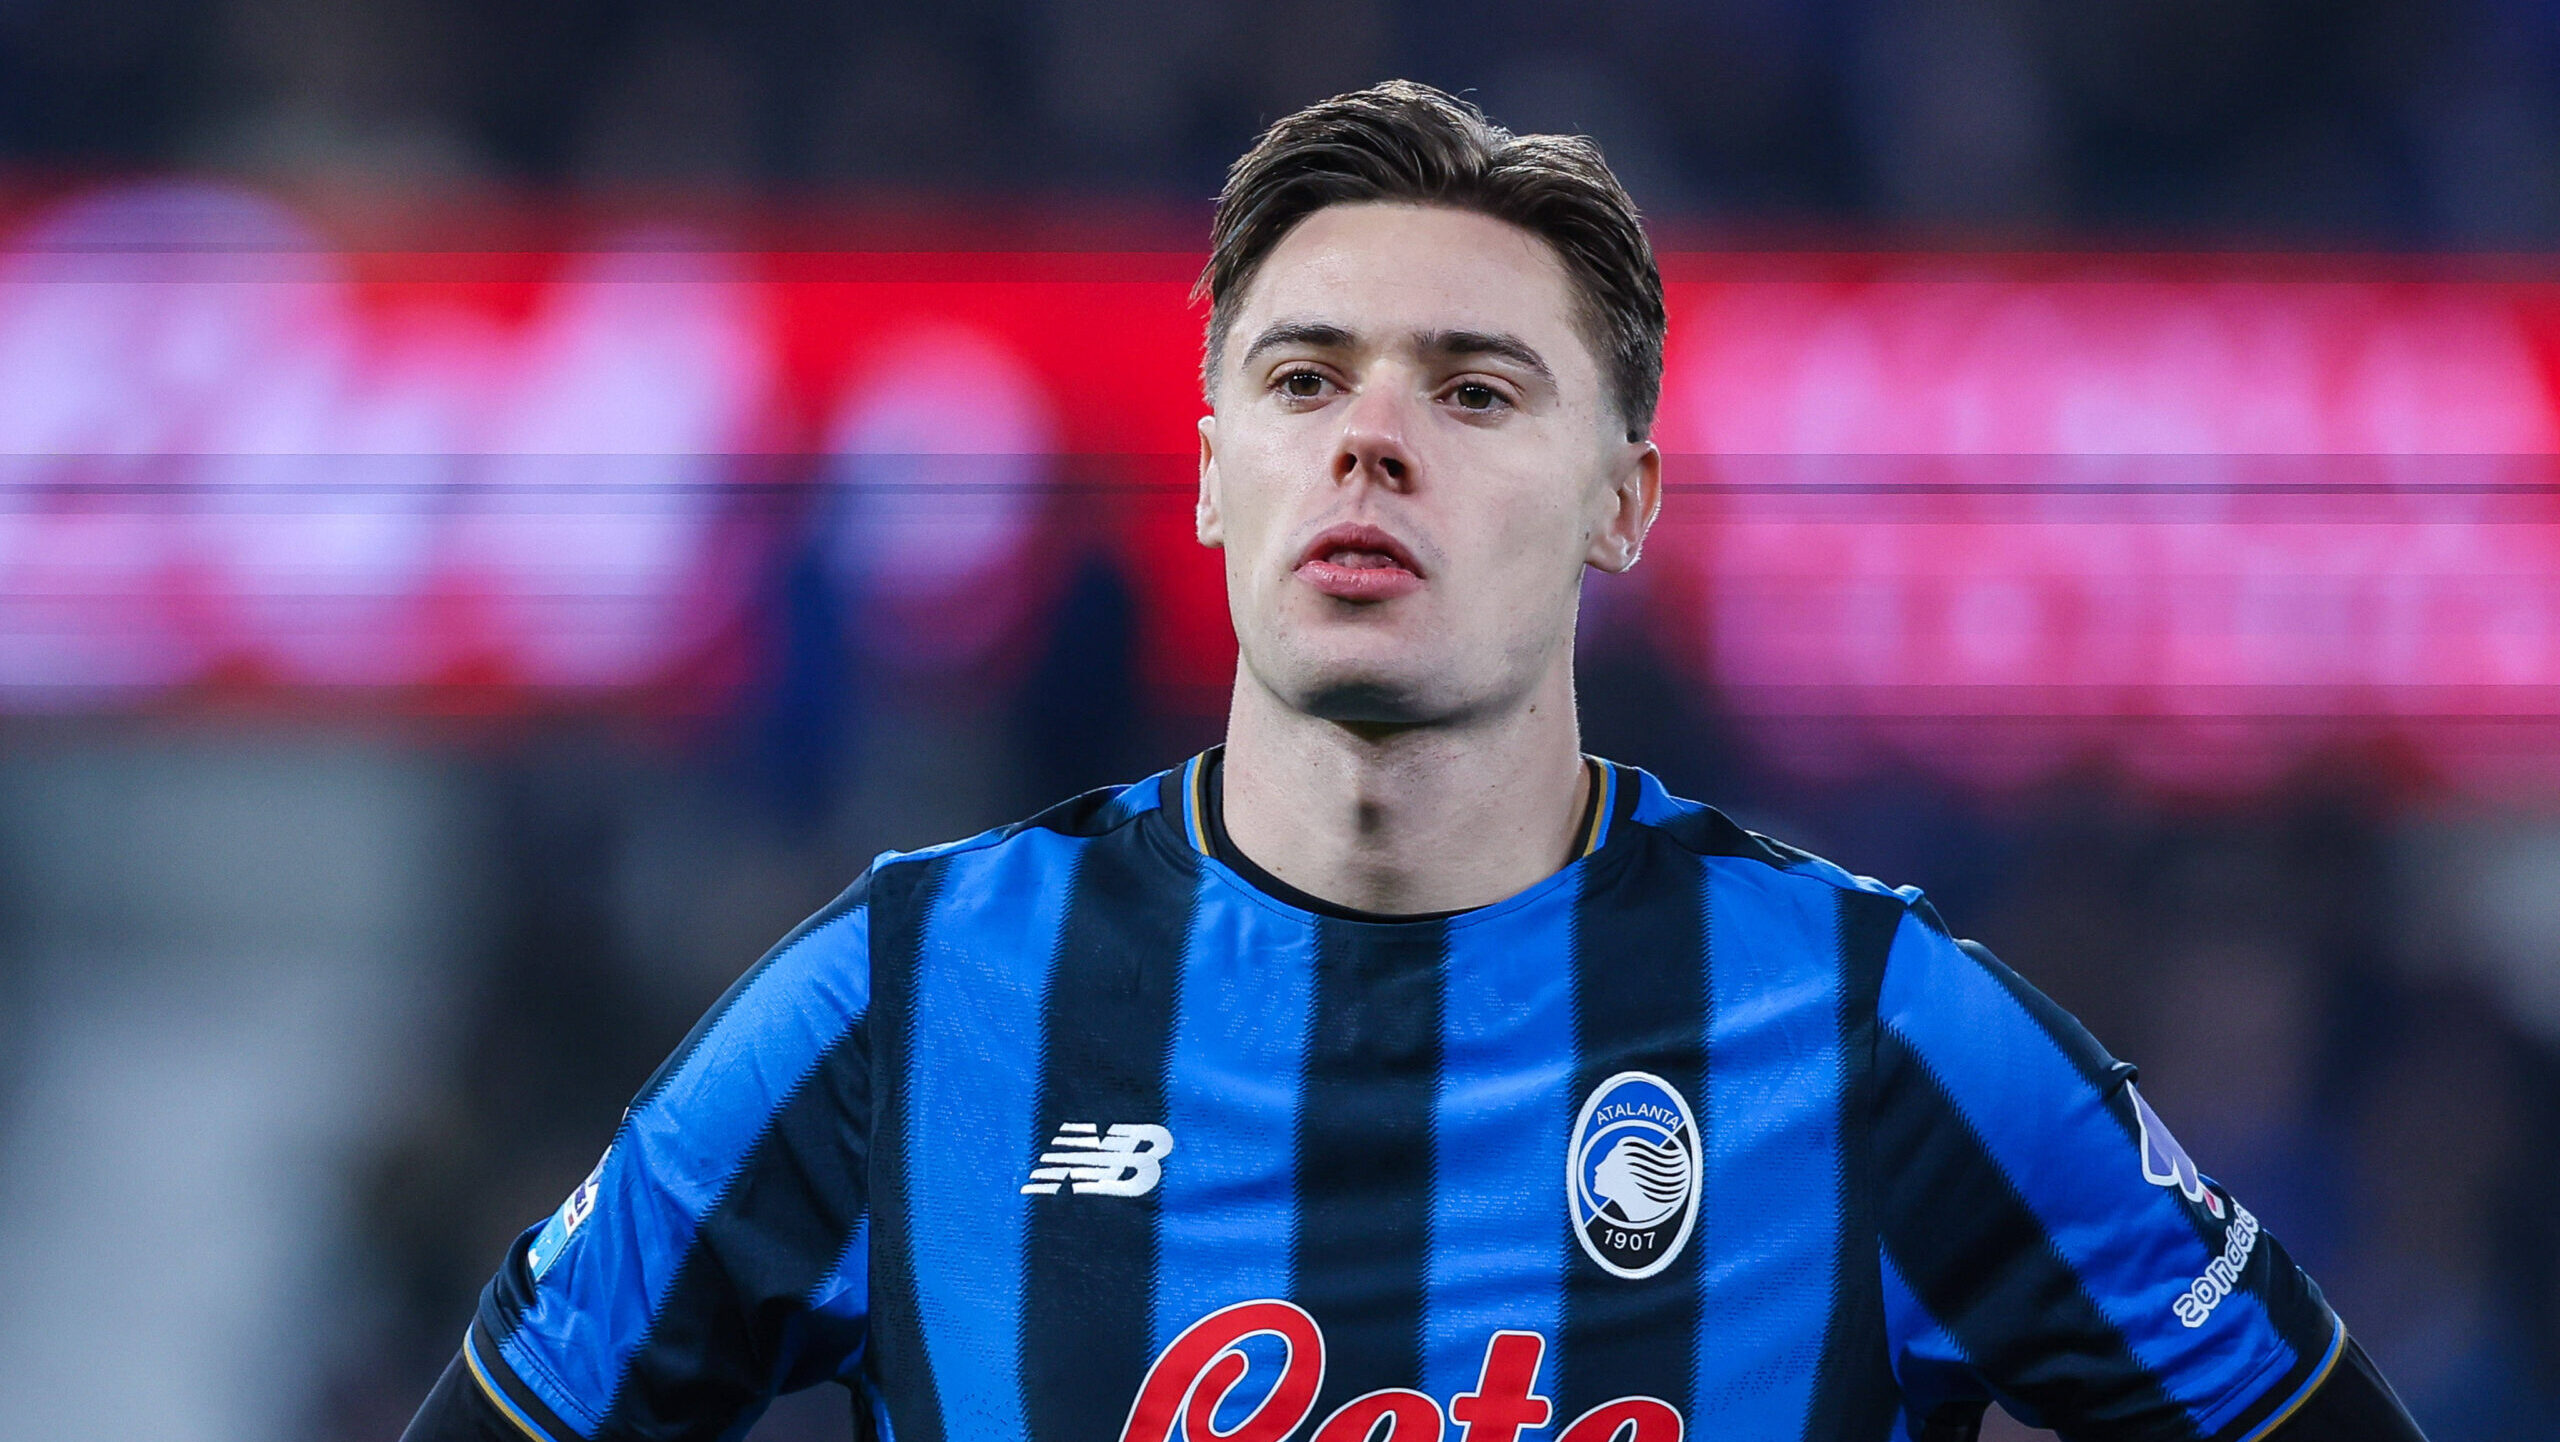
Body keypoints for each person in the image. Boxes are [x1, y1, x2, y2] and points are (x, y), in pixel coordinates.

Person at [403, 81, 2427, 1442]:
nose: (1371, 438)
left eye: (1473, 390)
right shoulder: (909, 1001)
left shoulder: (1872, 1026)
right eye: (1304, 380)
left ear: (1622, 501)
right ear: (1214, 474)